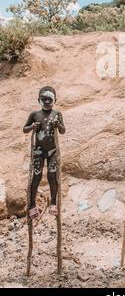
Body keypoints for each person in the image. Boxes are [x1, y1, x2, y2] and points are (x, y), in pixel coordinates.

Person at [23, 86, 65, 219]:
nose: (47, 102)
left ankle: (53, 203)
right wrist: (32, 127)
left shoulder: (57, 114)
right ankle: (32, 206)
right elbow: (25, 129)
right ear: (39, 100)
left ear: (55, 100)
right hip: (38, 151)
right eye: (44, 99)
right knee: (36, 177)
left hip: (52, 151)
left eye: (49, 99)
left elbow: (63, 130)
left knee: (53, 176)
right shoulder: (35, 115)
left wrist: (58, 125)